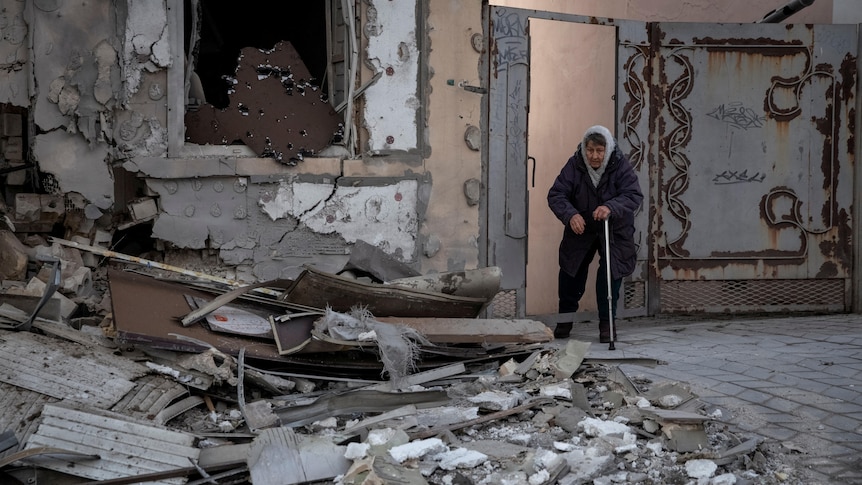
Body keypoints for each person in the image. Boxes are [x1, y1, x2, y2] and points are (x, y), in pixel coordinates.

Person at [547, 125, 643, 341]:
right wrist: (571, 215)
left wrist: (611, 207)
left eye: (599, 151)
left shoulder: (620, 164)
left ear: (607, 149)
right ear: (584, 148)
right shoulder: (575, 164)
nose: (594, 156)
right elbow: (557, 194)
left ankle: (606, 325)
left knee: (610, 273)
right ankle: (565, 321)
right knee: (571, 271)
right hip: (581, 225)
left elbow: (632, 194)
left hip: (614, 227)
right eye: (590, 150)